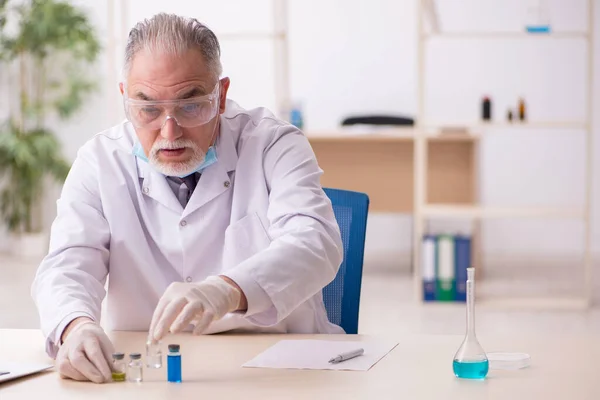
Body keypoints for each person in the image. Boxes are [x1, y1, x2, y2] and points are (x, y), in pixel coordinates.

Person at [31, 13, 344, 384]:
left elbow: (315, 242)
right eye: (148, 109)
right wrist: (75, 326)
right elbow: (68, 263)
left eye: (190, 105)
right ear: (125, 100)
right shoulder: (99, 161)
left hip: (279, 369)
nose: (169, 130)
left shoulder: (273, 143)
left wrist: (227, 289)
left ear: (221, 95)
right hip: (150, 373)